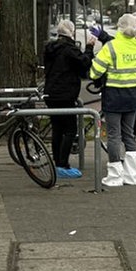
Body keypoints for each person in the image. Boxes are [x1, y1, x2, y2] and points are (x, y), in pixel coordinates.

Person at [90, 13, 136, 187]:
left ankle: (115, 176)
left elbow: (95, 72)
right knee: (129, 134)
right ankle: (133, 175)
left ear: (119, 27)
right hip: (134, 97)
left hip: (115, 98)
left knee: (114, 136)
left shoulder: (111, 47)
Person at [42, 20, 94, 179]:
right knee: (70, 129)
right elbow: (84, 63)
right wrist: (90, 48)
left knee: (58, 128)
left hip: (51, 92)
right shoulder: (70, 49)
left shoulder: (50, 48)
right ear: (71, 32)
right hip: (65, 93)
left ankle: (57, 161)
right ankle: (62, 164)